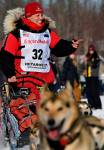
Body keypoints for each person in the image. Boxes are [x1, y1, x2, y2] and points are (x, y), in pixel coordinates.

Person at [0, 1, 81, 140]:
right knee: (24, 108)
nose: (40, 17)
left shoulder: (47, 33)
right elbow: (5, 56)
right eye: (37, 15)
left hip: (43, 82)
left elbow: (58, 46)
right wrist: (10, 74)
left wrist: (71, 46)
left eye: (41, 14)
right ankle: (27, 135)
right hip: (22, 81)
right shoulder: (16, 34)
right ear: (28, 16)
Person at [84, 44, 102, 109]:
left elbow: (94, 65)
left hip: (94, 76)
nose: (91, 51)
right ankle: (91, 105)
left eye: (92, 50)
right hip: (88, 76)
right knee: (88, 92)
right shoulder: (87, 56)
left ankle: (98, 105)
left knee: (95, 92)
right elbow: (84, 66)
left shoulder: (96, 57)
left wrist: (88, 61)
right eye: (90, 50)